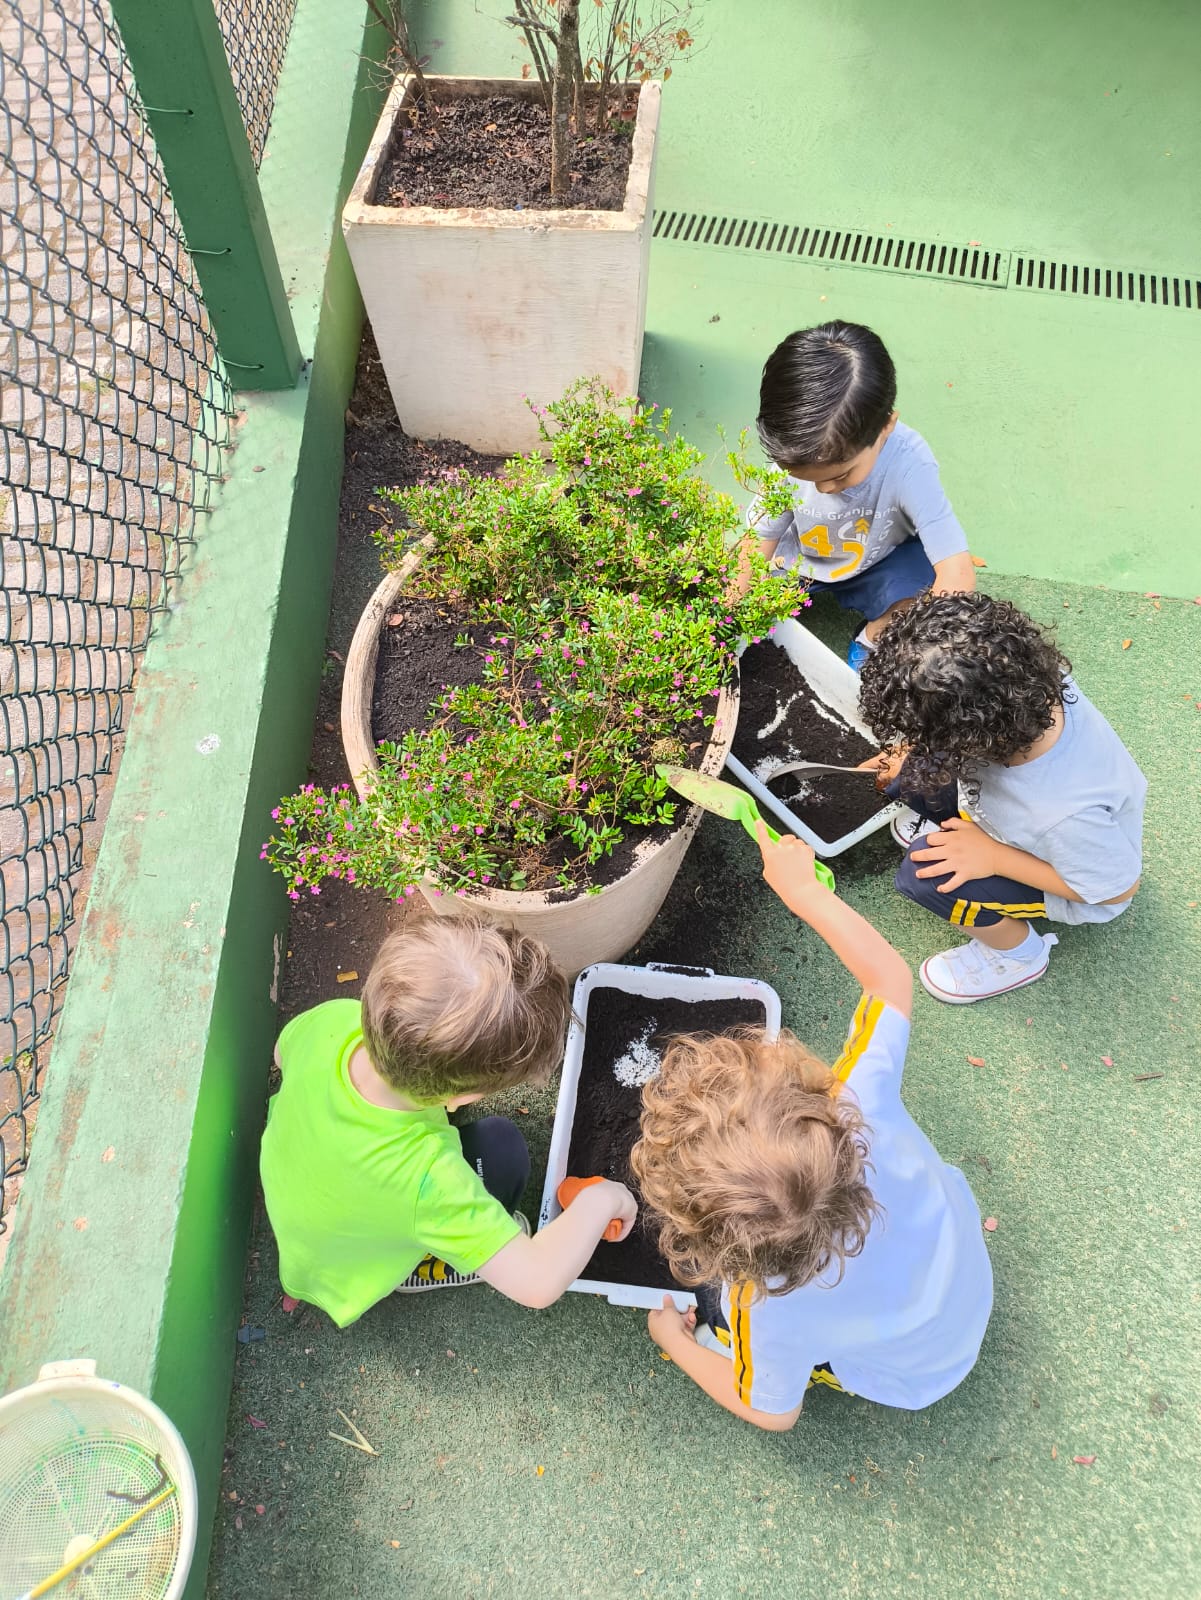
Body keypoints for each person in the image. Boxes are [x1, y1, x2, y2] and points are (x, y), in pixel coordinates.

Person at [632, 826, 993, 1429]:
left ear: (715, 1246)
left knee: (717, 1319)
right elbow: (890, 982)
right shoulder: (860, 1102)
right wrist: (805, 893)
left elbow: (771, 1413)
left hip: (911, 1374)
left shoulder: (763, 1308)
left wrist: (679, 1343)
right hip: (959, 1278)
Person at [261, 915, 636, 1326]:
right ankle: (422, 1263)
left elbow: (282, 1052)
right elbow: (538, 1282)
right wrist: (603, 1200)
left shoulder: (334, 1021)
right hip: (346, 1270)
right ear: (461, 1096)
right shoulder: (430, 1181)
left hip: (303, 1199)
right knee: (503, 1154)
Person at [858, 591, 1146, 1003]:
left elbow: (1116, 888)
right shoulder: (1021, 688)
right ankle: (955, 819)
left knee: (924, 876)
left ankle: (1018, 955)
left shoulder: (1062, 813)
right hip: (1009, 814)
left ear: (973, 736)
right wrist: (916, 750)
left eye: (925, 732)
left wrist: (992, 858)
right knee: (915, 773)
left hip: (1069, 875)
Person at [744, 320, 977, 669]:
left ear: (886, 427)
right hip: (800, 560)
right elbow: (755, 545)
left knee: (924, 592)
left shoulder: (910, 463)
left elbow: (958, 574)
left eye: (840, 475)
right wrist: (732, 613)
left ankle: (871, 639)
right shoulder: (795, 448)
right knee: (737, 582)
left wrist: (920, 641)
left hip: (876, 562)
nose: (824, 489)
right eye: (804, 477)